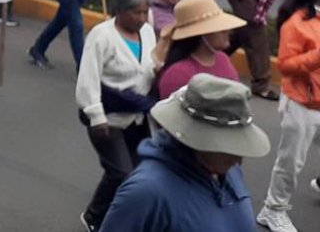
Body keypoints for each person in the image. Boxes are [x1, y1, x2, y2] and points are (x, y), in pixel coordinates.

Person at [99, 74, 268, 232]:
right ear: (199, 138)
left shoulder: (227, 168)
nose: (238, 160)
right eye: (230, 145)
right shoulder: (146, 192)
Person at [75, 0, 156, 232]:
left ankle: (123, 218)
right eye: (136, 12)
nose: (141, 18)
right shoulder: (101, 36)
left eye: (145, 12)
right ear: (119, 11)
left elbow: (150, 68)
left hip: (137, 118)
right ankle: (93, 216)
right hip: (108, 118)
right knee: (120, 172)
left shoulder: (148, 33)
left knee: (140, 174)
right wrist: (96, 116)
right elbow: (87, 78)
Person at [257, 0, 320, 232]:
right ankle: (273, 210)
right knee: (291, 162)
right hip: (301, 103)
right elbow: (285, 66)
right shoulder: (295, 24)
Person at [153, 0, 245, 99]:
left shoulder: (222, 59)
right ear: (201, 34)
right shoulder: (178, 74)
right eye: (219, 27)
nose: (227, 31)